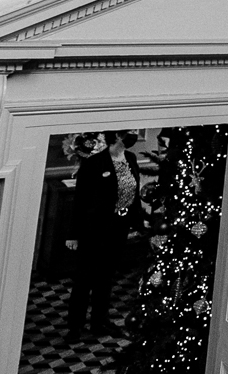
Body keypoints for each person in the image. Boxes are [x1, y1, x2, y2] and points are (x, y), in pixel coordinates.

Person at [65, 130, 141, 336]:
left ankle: (100, 322)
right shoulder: (94, 163)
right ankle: (75, 326)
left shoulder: (131, 158)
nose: (134, 134)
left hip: (118, 228)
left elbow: (135, 195)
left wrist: (141, 225)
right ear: (117, 135)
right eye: (131, 131)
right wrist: (73, 235)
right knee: (84, 279)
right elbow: (80, 201)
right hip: (94, 230)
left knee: (106, 279)